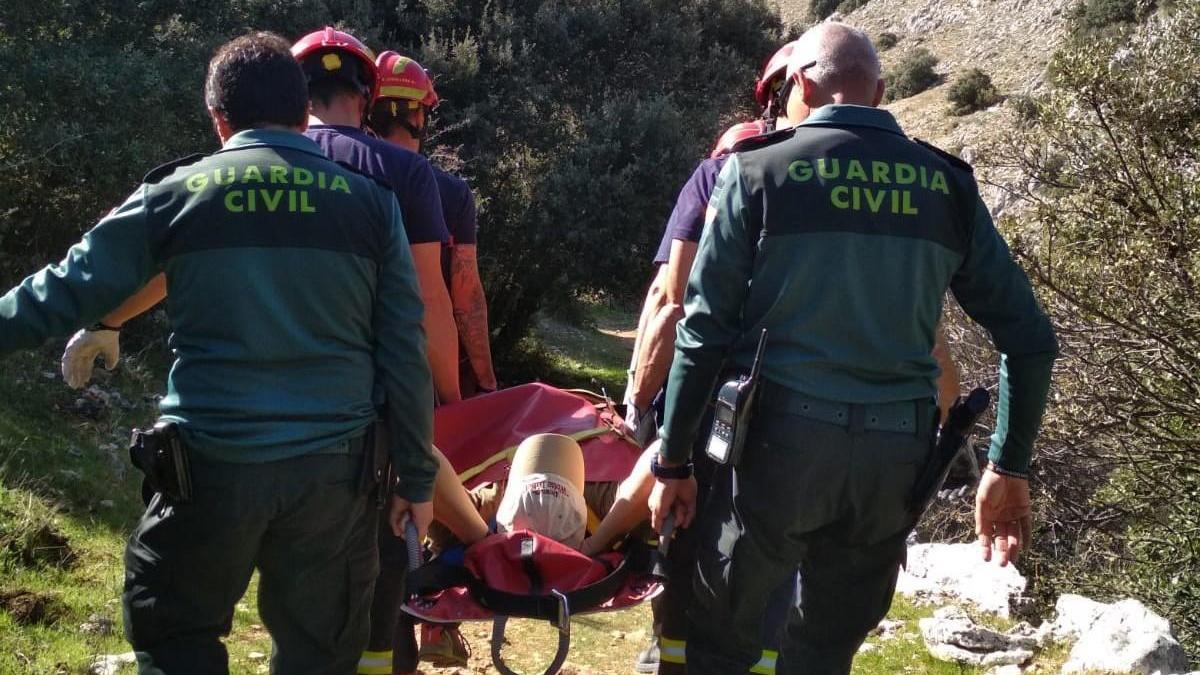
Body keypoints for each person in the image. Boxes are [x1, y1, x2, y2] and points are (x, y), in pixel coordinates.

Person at [0, 32, 436, 673]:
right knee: (321, 655)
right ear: (299, 114)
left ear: (218, 118)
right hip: (335, 482)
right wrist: (418, 480)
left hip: (208, 471)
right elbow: (405, 352)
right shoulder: (372, 206)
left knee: (176, 639)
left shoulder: (177, 195)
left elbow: (59, 290)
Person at [650, 22, 1057, 675]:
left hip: (774, 451)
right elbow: (1031, 341)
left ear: (803, 84)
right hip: (892, 464)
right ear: (881, 91)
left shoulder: (758, 170)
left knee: (722, 643)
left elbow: (702, 329)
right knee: (823, 652)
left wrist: (673, 463)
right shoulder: (946, 185)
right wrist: (1007, 467)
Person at [60, 28, 464, 407]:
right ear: (365, 97)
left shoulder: (249, 164)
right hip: (357, 404)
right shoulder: (406, 172)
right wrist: (452, 399)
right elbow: (428, 300)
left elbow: (178, 255)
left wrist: (108, 322)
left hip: (241, 401)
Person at [367, 51, 496, 397]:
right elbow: (465, 300)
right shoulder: (451, 194)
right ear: (418, 116)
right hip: (419, 377)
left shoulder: (334, 170)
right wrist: (486, 384)